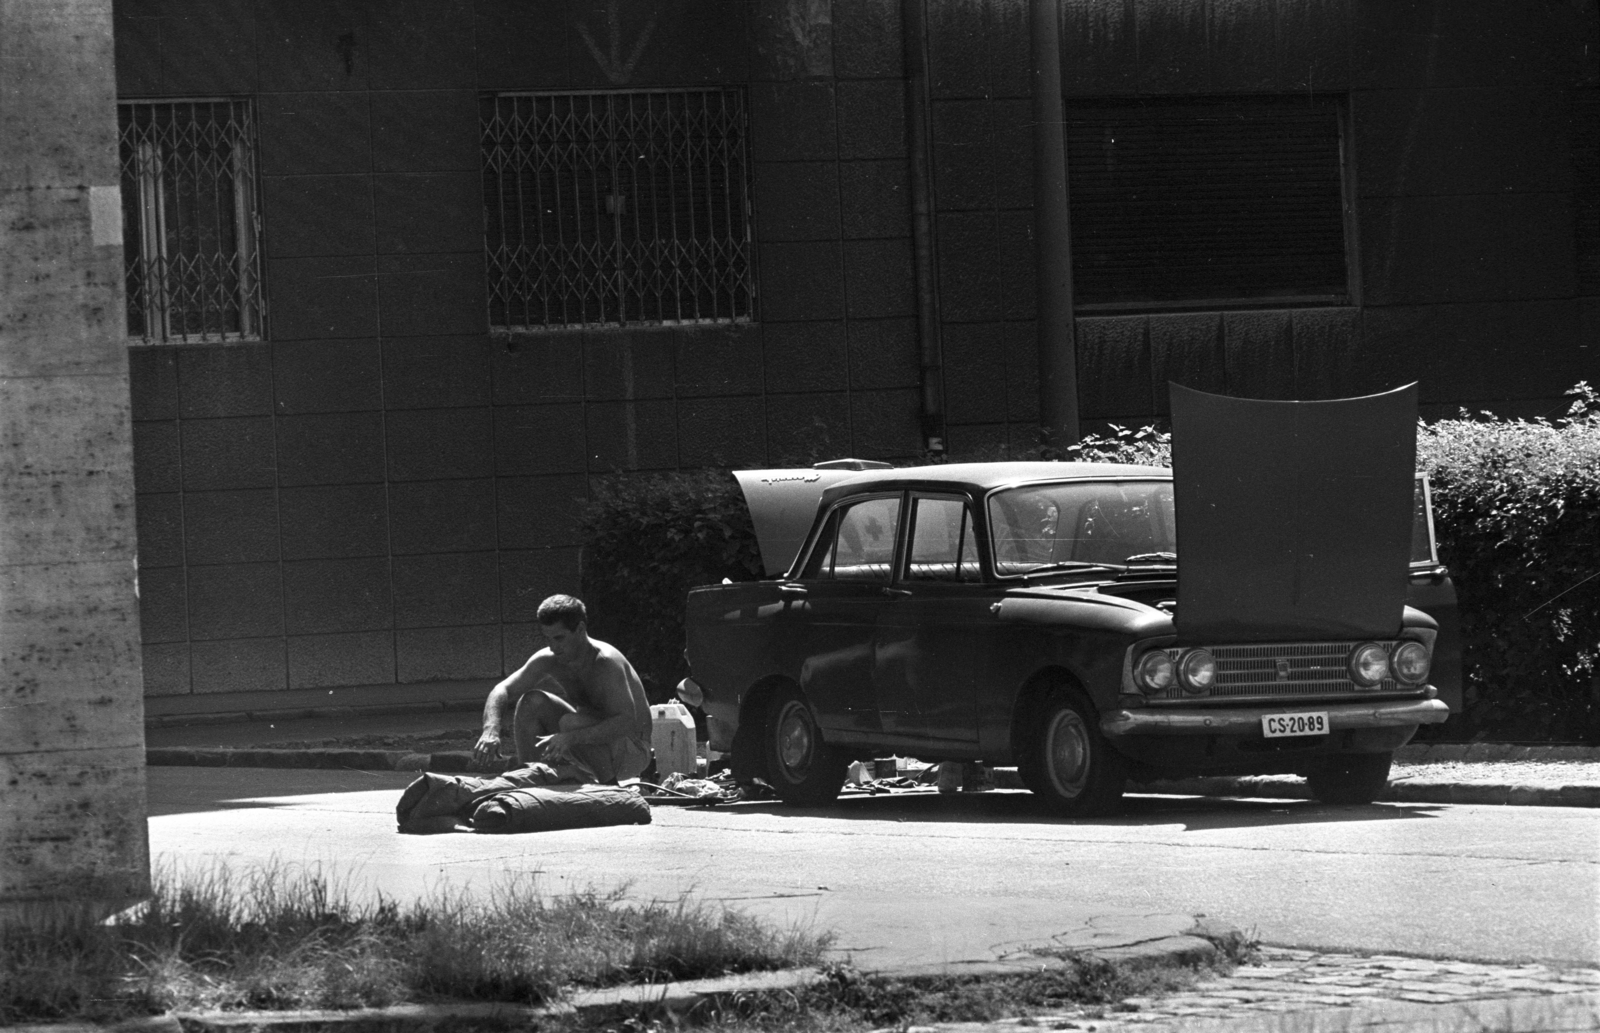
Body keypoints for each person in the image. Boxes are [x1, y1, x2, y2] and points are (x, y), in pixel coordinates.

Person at [472, 594, 652, 782]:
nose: (553, 647)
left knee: (570, 723)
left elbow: (626, 722)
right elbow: (502, 689)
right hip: (590, 745)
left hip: (634, 751)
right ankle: (531, 782)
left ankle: (610, 788)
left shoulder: (605, 662)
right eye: (547, 639)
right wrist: (490, 730)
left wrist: (571, 738)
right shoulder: (549, 659)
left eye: (559, 638)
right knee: (531, 702)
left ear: (580, 629)